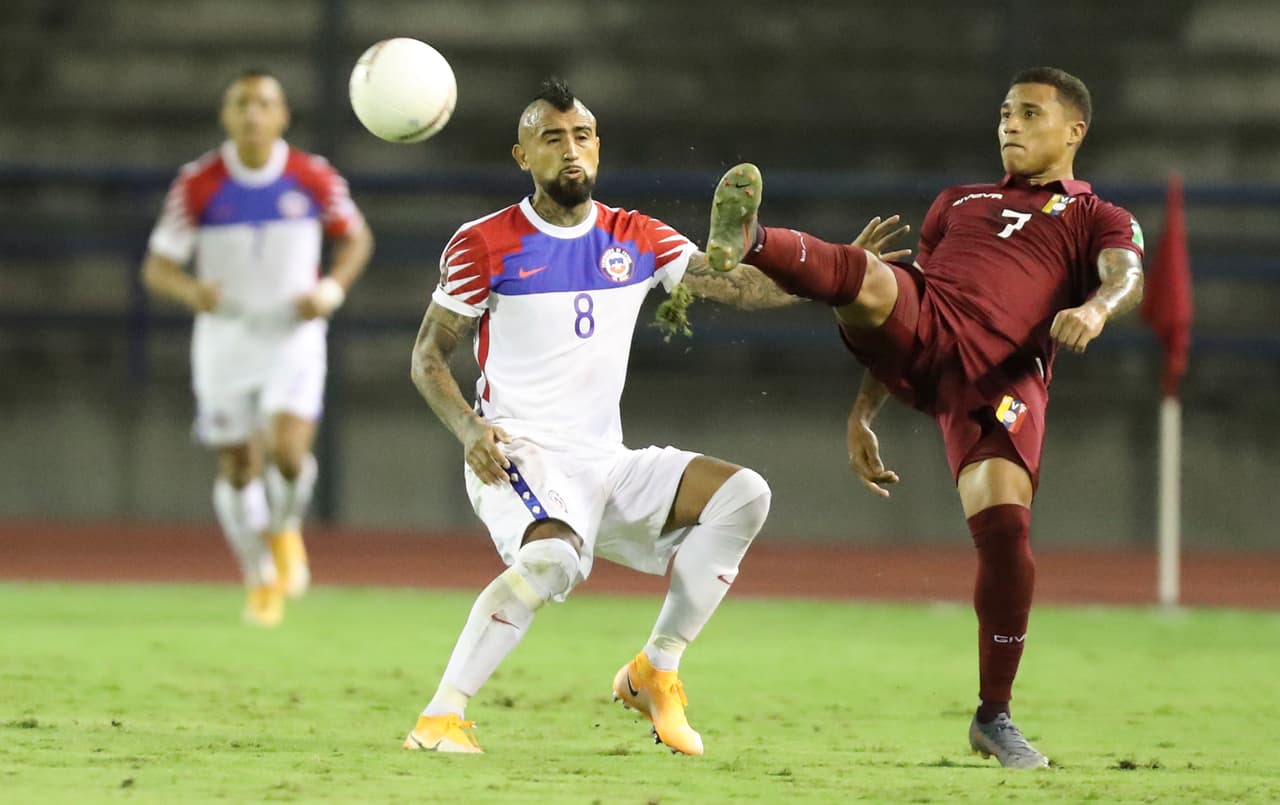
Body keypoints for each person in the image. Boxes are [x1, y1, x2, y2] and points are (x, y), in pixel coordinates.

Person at [705, 67, 1145, 768]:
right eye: (1005, 112)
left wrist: (1093, 307)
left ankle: (993, 716)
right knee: (873, 275)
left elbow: (1126, 273)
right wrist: (863, 410)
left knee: (1005, 535)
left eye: (1030, 113)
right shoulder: (957, 202)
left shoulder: (1096, 215)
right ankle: (752, 239)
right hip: (931, 328)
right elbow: (908, 298)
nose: (1010, 124)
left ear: (1074, 131)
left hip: (1003, 376)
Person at [404, 77, 804, 756]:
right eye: (551, 138)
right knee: (555, 559)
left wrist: (842, 276)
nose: (570, 150)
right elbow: (426, 357)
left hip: (604, 461)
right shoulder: (485, 243)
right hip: (519, 453)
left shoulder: (636, 236)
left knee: (744, 495)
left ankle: (657, 666)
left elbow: (731, 283)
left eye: (582, 136)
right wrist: (470, 429)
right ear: (521, 155)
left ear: (598, 148)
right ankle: (441, 716)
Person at [142, 69, 373, 626]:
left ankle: (285, 528)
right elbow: (157, 266)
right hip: (225, 338)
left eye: (264, 103)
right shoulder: (197, 183)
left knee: (288, 452)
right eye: (241, 103)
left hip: (292, 335)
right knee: (240, 466)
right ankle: (258, 576)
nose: (252, 113)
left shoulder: (312, 177)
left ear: (282, 116)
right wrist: (191, 289)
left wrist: (331, 289)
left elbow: (357, 238)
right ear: (226, 115)